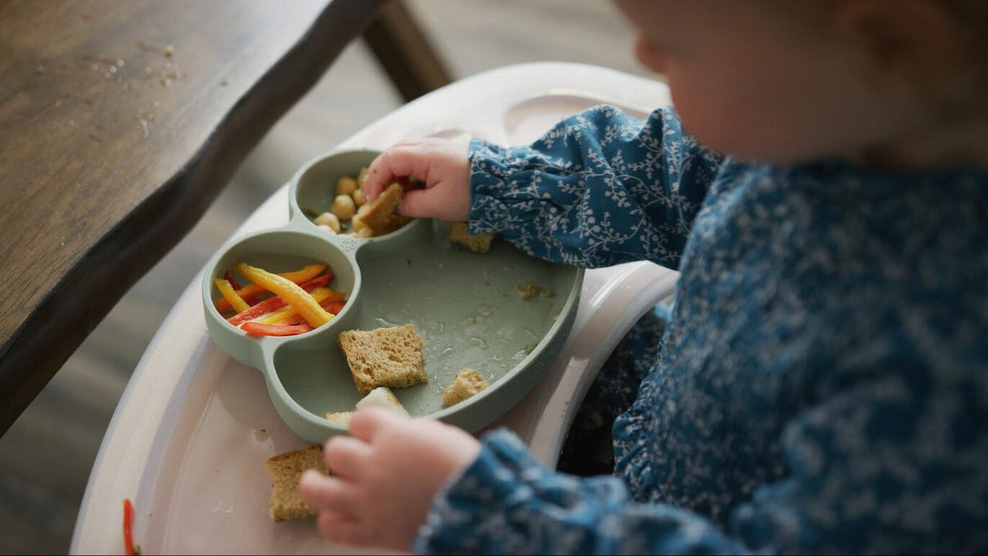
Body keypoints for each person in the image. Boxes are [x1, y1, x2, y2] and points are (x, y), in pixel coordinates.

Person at [299, 0, 988, 553]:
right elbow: (672, 174)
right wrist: (505, 183)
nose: (641, 56)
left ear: (891, 44)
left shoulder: (938, 389)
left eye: (670, 43)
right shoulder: (830, 118)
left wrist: (481, 517)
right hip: (674, 410)